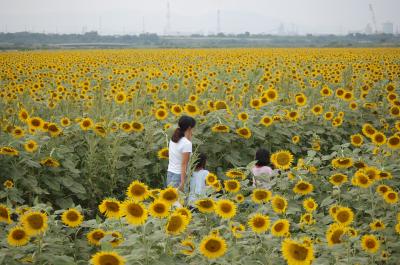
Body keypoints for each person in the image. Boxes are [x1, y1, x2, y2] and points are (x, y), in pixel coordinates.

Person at [166, 115, 196, 190]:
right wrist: (182, 183)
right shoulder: (186, 144)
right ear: (189, 128)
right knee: (180, 200)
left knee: (171, 200)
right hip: (179, 176)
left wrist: (188, 136)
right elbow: (184, 164)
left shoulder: (173, 139)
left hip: (170, 173)